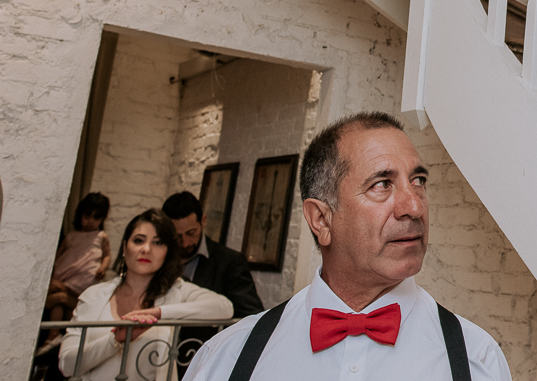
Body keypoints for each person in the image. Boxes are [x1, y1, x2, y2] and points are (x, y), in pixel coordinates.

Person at [182, 112, 512, 381]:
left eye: (419, 181)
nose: (414, 205)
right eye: (382, 184)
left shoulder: (475, 359)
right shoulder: (226, 359)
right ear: (321, 220)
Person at [59, 209, 233, 381]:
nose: (146, 249)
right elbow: (67, 365)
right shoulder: (95, 296)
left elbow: (224, 307)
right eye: (139, 240)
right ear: (125, 247)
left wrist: (158, 313)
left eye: (158, 243)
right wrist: (114, 340)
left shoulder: (177, 291)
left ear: (167, 252)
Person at [162, 192, 263, 317]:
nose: (185, 243)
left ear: (203, 221)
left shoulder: (229, 262)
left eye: (191, 233)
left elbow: (252, 316)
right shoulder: (157, 257)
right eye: (177, 236)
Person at [40, 193, 112, 350]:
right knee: (59, 303)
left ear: (102, 218)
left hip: (83, 283)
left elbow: (107, 256)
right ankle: (53, 336)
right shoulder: (72, 236)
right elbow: (58, 255)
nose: (90, 222)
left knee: (63, 303)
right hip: (64, 279)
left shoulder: (100, 236)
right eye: (87, 216)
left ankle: (58, 337)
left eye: (95, 218)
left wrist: (103, 268)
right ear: (80, 214)